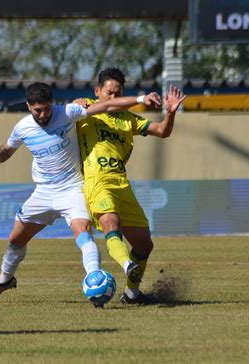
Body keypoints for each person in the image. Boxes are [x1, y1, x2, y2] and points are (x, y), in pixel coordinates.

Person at [0, 82, 160, 305]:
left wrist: (139, 100)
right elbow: (5, 152)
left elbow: (107, 107)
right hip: (43, 192)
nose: (43, 115)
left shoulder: (68, 112)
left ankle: (95, 279)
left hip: (72, 188)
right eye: (37, 110)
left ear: (53, 104)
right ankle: (5, 280)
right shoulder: (22, 127)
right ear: (28, 106)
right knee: (15, 239)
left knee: (84, 233)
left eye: (47, 109)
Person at [75, 67, 185, 305]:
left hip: (121, 183)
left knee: (144, 243)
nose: (113, 98)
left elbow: (162, 131)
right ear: (97, 91)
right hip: (97, 181)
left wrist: (171, 113)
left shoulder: (128, 119)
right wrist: (139, 100)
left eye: (118, 93)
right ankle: (127, 265)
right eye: (109, 93)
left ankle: (132, 294)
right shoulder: (85, 110)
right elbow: (77, 109)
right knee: (110, 223)